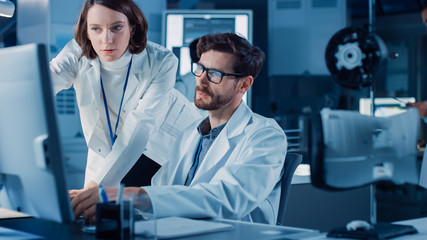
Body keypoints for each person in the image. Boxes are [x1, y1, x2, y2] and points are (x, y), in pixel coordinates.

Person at [71, 32, 288, 225]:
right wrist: (109, 207)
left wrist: (125, 195)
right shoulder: (190, 134)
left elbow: (227, 199)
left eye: (215, 74)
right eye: (200, 69)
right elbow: (161, 193)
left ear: (244, 84)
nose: (201, 81)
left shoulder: (265, 136)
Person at [49, 0, 201, 189]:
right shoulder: (77, 53)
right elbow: (45, 81)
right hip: (114, 147)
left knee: (140, 209)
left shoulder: (161, 61)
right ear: (86, 31)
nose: (106, 39)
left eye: (117, 28)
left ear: (132, 28)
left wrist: (97, 188)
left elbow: (141, 126)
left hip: (163, 146)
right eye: (96, 29)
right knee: (95, 209)